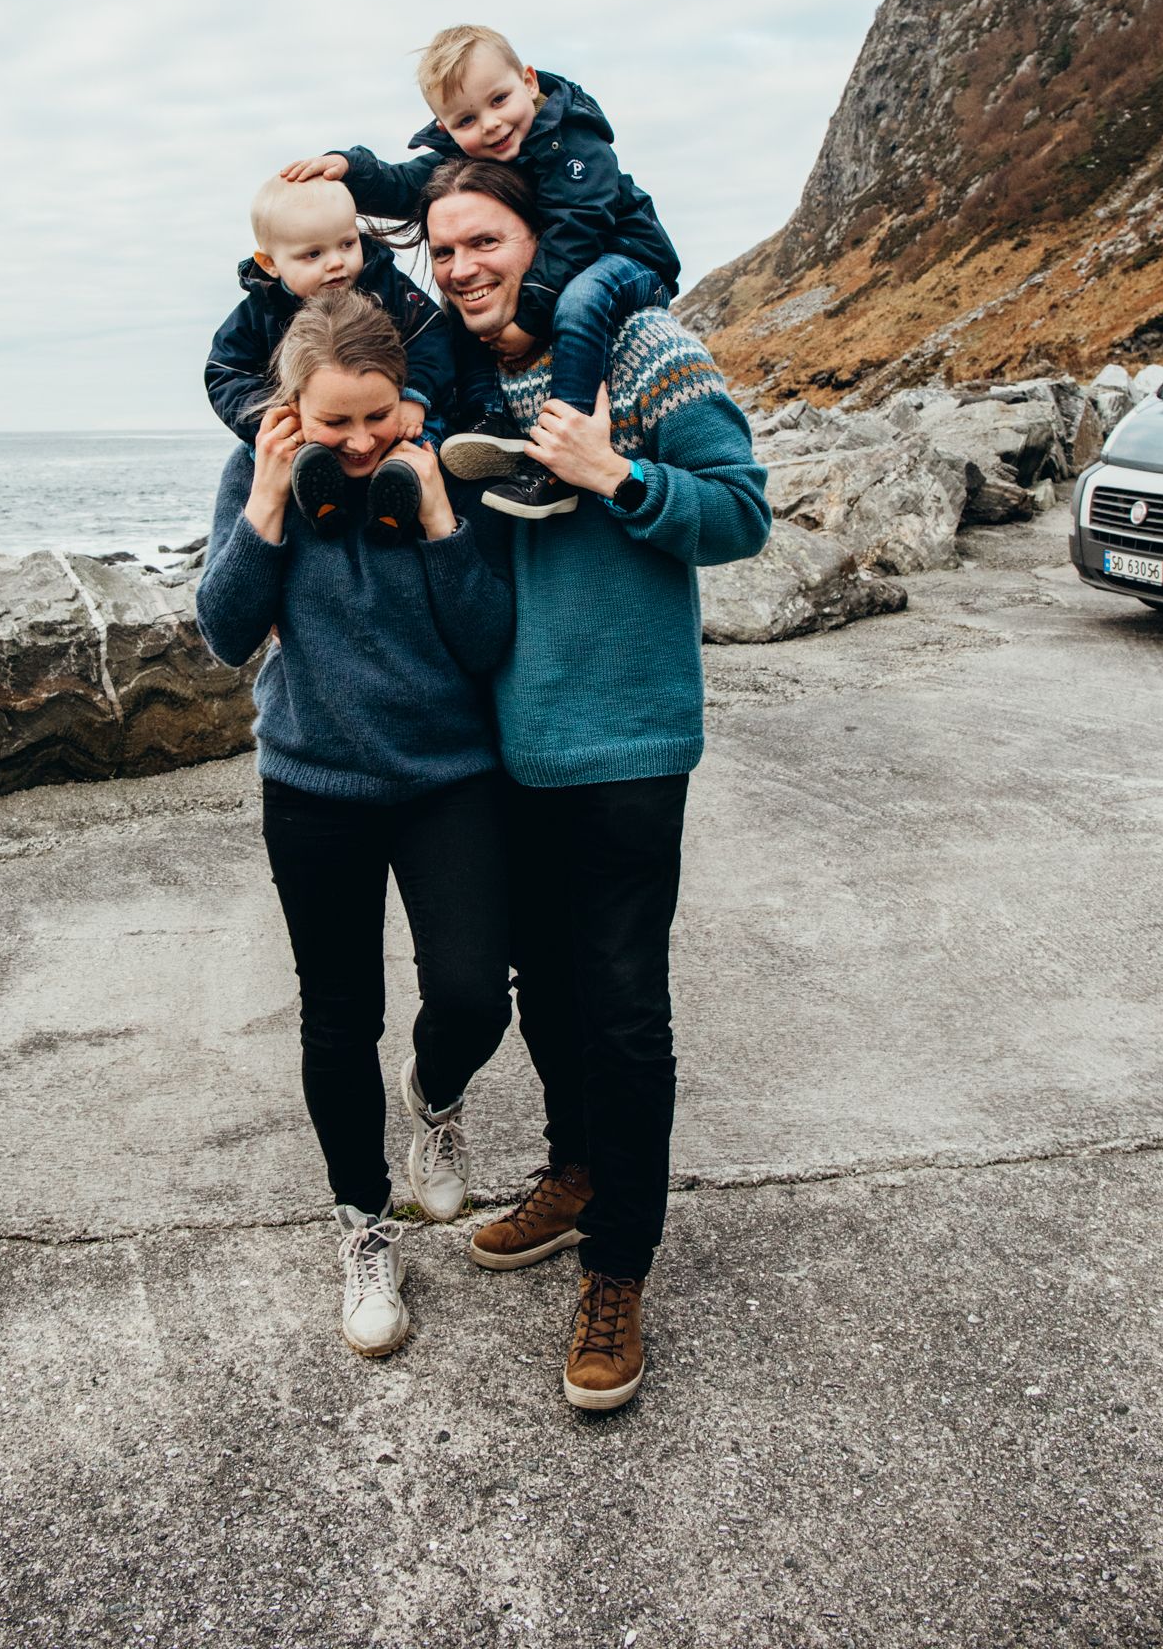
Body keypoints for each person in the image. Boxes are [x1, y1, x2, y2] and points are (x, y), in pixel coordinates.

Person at [419, 158, 771, 1412]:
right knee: (544, 986)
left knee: (622, 1004)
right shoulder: (458, 378)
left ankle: (619, 1264)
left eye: (482, 239)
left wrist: (613, 476)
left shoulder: (641, 343)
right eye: (440, 248)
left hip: (624, 734)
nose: (459, 266)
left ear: (535, 235)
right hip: (498, 743)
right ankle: (573, 1176)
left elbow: (740, 515)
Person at [195, 288, 513, 1358]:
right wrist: (270, 501)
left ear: (409, 400)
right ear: (292, 408)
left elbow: (483, 642)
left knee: (472, 993)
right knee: (338, 1016)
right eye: (336, 420)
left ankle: (434, 1099)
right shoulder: (261, 470)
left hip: (448, 776)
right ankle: (362, 1226)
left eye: (379, 414)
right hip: (314, 781)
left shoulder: (441, 475)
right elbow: (224, 633)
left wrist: (432, 518)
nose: (362, 438)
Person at [282, 24, 680, 519]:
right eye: (468, 118)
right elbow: (404, 183)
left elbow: (580, 227)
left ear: (530, 82)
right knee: (461, 315)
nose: (490, 125)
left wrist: (529, 321)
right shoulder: (477, 155)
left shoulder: (572, 143)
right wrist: (349, 167)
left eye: (498, 100)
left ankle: (562, 444)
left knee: (582, 297)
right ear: (446, 130)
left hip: (629, 255)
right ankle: (489, 416)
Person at [203, 172, 455, 541]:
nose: (336, 263)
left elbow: (431, 336)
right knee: (269, 452)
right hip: (299, 436)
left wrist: (413, 396)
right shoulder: (259, 311)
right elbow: (226, 372)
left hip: (403, 423)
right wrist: (273, 420)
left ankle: (399, 492)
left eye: (347, 244)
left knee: (426, 435)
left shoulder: (386, 284)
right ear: (270, 263)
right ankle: (314, 496)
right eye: (314, 254)